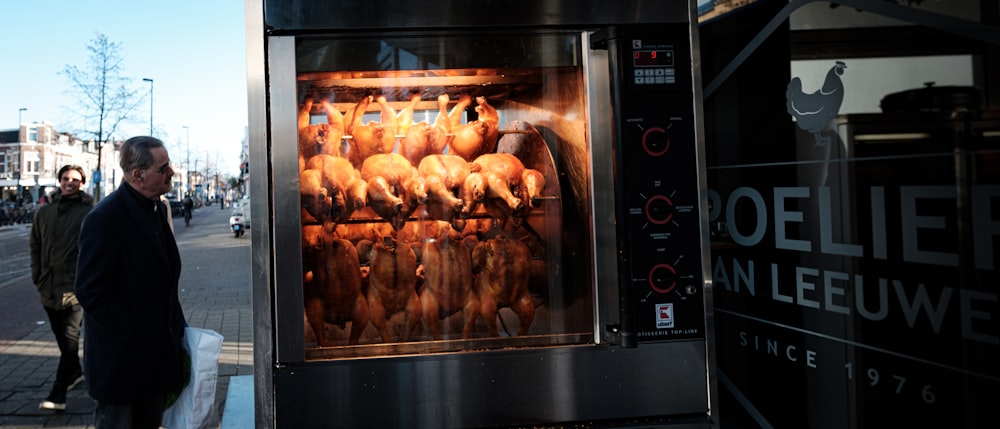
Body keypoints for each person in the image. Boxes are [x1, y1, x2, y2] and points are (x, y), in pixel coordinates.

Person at [75, 136, 187, 429]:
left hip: (154, 361)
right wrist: (138, 331)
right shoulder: (105, 218)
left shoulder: (158, 209)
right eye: (163, 168)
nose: (171, 172)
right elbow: (90, 290)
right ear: (137, 175)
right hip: (121, 364)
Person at [30, 165, 93, 411]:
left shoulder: (89, 213)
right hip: (48, 288)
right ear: (59, 181)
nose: (70, 183)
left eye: (75, 180)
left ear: (82, 183)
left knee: (69, 341)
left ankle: (58, 394)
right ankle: (76, 371)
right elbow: (35, 245)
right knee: (61, 339)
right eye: (66, 179)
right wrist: (37, 275)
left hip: (74, 289)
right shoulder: (44, 213)